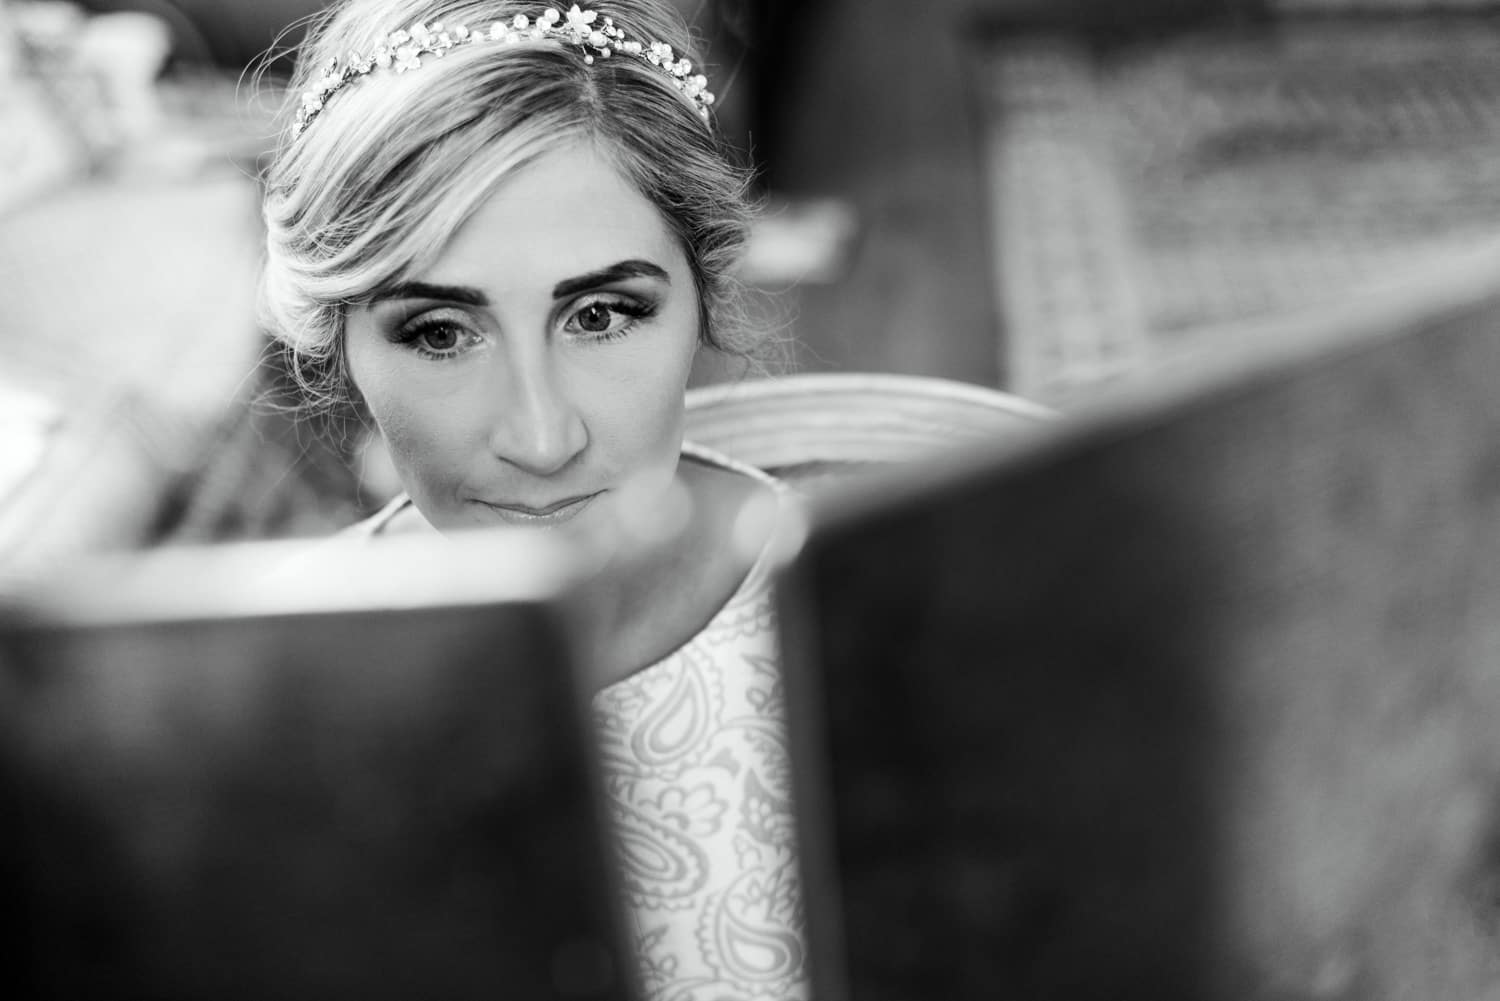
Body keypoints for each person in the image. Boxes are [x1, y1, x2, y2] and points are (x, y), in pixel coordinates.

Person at [258, 1, 808, 998]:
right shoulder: (266, 698)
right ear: (336, 343)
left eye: (601, 314)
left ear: (702, 295)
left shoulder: (862, 629)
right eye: (438, 332)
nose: (544, 438)